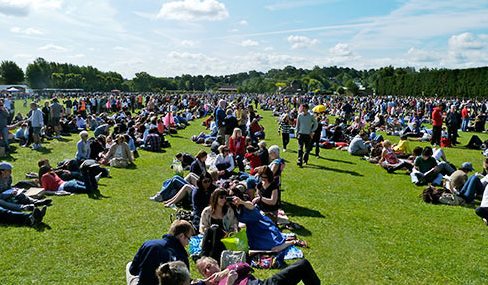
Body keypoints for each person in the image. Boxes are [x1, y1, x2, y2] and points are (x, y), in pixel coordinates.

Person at [127, 220, 194, 285]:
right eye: (189, 238)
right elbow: (185, 281)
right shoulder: (182, 257)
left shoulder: (149, 244)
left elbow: (133, 271)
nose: (188, 243)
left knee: (129, 265)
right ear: (181, 236)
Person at [196, 256, 320, 285]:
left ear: (216, 264)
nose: (207, 271)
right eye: (204, 271)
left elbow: (246, 266)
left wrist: (225, 272)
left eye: (208, 266)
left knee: (302, 264)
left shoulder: (229, 270)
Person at [198, 188, 238, 262]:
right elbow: (202, 227)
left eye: (225, 198)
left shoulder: (229, 211)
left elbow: (233, 226)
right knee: (214, 229)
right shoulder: (207, 211)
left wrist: (227, 233)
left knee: (216, 229)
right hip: (209, 237)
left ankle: (204, 256)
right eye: (221, 197)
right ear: (215, 198)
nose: (224, 200)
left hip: (225, 238)